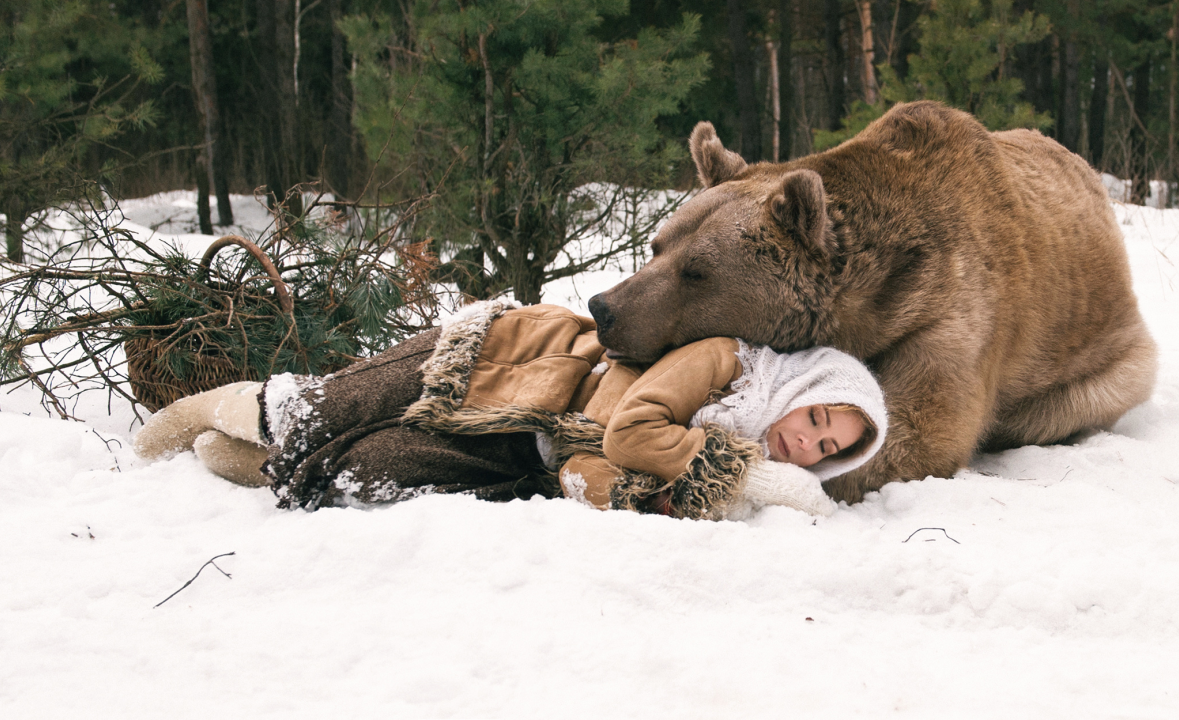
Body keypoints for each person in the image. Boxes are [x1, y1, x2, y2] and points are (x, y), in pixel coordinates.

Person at [134, 301, 887, 519]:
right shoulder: (729, 363)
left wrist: (615, 491)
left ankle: (240, 460)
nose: (807, 444)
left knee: (365, 473)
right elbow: (629, 430)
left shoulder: (723, 479)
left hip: (522, 455)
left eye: (827, 452)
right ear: (803, 391)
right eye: (818, 420)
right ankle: (202, 413)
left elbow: (613, 481)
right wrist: (745, 474)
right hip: (514, 363)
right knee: (328, 409)